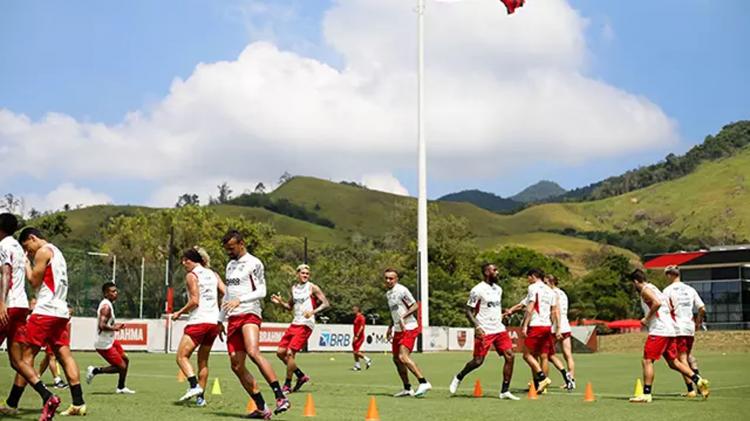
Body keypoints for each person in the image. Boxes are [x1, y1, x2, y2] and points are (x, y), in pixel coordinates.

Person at [14, 227, 86, 418]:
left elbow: (34, 282)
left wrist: (26, 263)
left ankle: (13, 403)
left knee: (24, 358)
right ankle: (78, 403)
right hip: (61, 311)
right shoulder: (58, 252)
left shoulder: (42, 252)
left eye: (26, 246)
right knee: (65, 355)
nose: (27, 251)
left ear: (32, 238)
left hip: (45, 311)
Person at [222, 230, 290, 418]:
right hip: (233, 318)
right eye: (227, 249)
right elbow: (228, 295)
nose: (229, 252)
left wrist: (240, 300)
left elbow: (262, 291)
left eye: (232, 248)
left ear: (241, 244)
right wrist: (220, 320)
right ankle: (262, 407)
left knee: (253, 351)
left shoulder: (254, 263)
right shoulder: (230, 265)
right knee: (236, 366)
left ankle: (280, 397)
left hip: (250, 313)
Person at [628, 269, 710, 403]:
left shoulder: (645, 290)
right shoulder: (655, 287)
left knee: (647, 361)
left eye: (633, 284)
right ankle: (698, 380)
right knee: (674, 362)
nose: (633, 286)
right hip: (670, 329)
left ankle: (646, 394)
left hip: (659, 330)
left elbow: (657, 303)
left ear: (636, 281)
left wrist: (646, 319)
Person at [449, 263, 519, 400]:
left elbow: (493, 306)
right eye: (495, 270)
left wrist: (503, 312)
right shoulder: (477, 290)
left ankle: (505, 391)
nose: (497, 272)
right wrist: (477, 327)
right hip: (485, 330)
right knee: (478, 361)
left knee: (510, 356)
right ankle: (459, 377)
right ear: (487, 272)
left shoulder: (498, 289)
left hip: (499, 329)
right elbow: (468, 310)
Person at [172, 248, 225, 407]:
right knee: (203, 361)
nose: (183, 264)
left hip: (198, 322)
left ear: (191, 260)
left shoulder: (191, 275)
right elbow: (226, 293)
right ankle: (201, 399)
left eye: (184, 260)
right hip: (213, 323)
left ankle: (194, 386)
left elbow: (195, 301)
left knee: (181, 357)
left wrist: (179, 313)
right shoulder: (213, 274)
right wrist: (221, 320)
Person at [271, 264, 329, 394]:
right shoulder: (294, 288)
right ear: (297, 274)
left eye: (307, 274)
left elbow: (326, 303)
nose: (305, 276)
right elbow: (289, 306)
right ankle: (301, 376)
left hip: (306, 324)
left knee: (290, 353)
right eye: (303, 273)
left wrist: (313, 312)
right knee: (280, 352)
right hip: (295, 323)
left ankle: (287, 384)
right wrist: (280, 302)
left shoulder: (312, 287)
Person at [0, 213, 31, 415]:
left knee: (17, 359)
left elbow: (6, 274)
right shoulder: (19, 248)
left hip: (9, 305)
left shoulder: (3, 246)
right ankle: (47, 395)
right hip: (22, 305)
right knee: (17, 360)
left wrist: (2, 302)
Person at [384, 268, 431, 397]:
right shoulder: (388, 294)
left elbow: (415, 306)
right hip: (398, 330)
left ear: (396, 279)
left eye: (391, 278)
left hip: (409, 327)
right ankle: (407, 388)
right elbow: (394, 313)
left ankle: (424, 382)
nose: (388, 280)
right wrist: (390, 327)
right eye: (386, 278)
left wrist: (403, 317)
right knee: (396, 359)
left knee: (403, 357)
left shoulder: (402, 290)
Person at [661, 265, 708, 399]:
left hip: (677, 328)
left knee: (680, 359)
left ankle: (693, 388)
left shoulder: (667, 291)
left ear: (670, 275)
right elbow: (702, 308)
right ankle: (697, 383)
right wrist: (698, 322)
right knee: (688, 355)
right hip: (689, 327)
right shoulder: (690, 289)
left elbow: (665, 310)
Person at [86, 282, 135, 394]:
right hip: (103, 344)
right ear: (105, 293)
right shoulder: (106, 307)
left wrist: (115, 326)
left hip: (110, 340)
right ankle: (95, 370)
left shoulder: (109, 304)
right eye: (112, 291)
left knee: (125, 360)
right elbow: (101, 326)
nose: (115, 293)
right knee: (121, 367)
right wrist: (115, 328)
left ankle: (121, 387)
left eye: (116, 291)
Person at [545, 274, 575, 390]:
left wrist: (555, 326)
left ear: (551, 283)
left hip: (556, 327)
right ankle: (571, 379)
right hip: (566, 325)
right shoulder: (563, 293)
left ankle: (543, 379)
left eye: (546, 283)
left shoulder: (552, 294)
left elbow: (555, 311)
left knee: (546, 353)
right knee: (568, 354)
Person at [351, 305, 372, 371]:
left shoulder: (361, 317)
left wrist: (357, 335)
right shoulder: (356, 317)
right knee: (354, 351)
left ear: (358, 310)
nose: (353, 310)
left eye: (354, 309)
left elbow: (361, 327)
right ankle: (357, 365)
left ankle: (367, 359)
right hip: (356, 336)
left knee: (356, 351)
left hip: (360, 337)